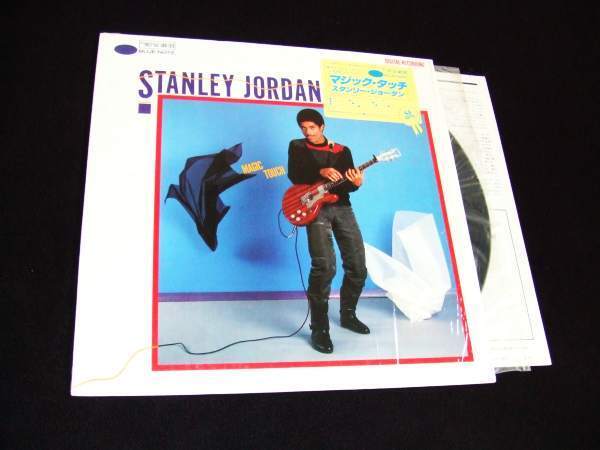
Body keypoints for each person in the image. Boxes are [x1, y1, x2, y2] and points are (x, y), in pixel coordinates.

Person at [287, 108, 369, 354]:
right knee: (324, 267)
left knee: (358, 265)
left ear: (322, 127)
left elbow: (347, 185)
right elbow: (294, 175)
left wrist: (356, 183)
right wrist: (319, 172)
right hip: (315, 209)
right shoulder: (297, 146)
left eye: (312, 127)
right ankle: (319, 329)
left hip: (342, 207)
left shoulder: (342, 150)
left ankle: (348, 315)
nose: (307, 132)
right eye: (303, 128)